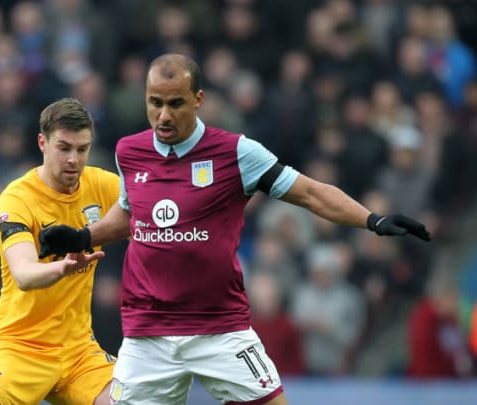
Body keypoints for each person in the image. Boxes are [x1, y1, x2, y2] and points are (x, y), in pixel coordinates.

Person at [39, 54, 431, 405]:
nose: (163, 115)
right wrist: (81, 237)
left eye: (175, 103)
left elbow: (311, 194)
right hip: (148, 331)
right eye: (155, 103)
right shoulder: (130, 151)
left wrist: (372, 220)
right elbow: (129, 215)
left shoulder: (237, 152)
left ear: (198, 99)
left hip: (218, 326)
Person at [0, 98, 120, 405]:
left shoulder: (102, 185)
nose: (74, 159)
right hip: (21, 347)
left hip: (79, 352)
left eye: (82, 149)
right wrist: (62, 267)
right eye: (64, 148)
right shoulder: (17, 198)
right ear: (42, 143)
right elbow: (23, 273)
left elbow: (155, 209)